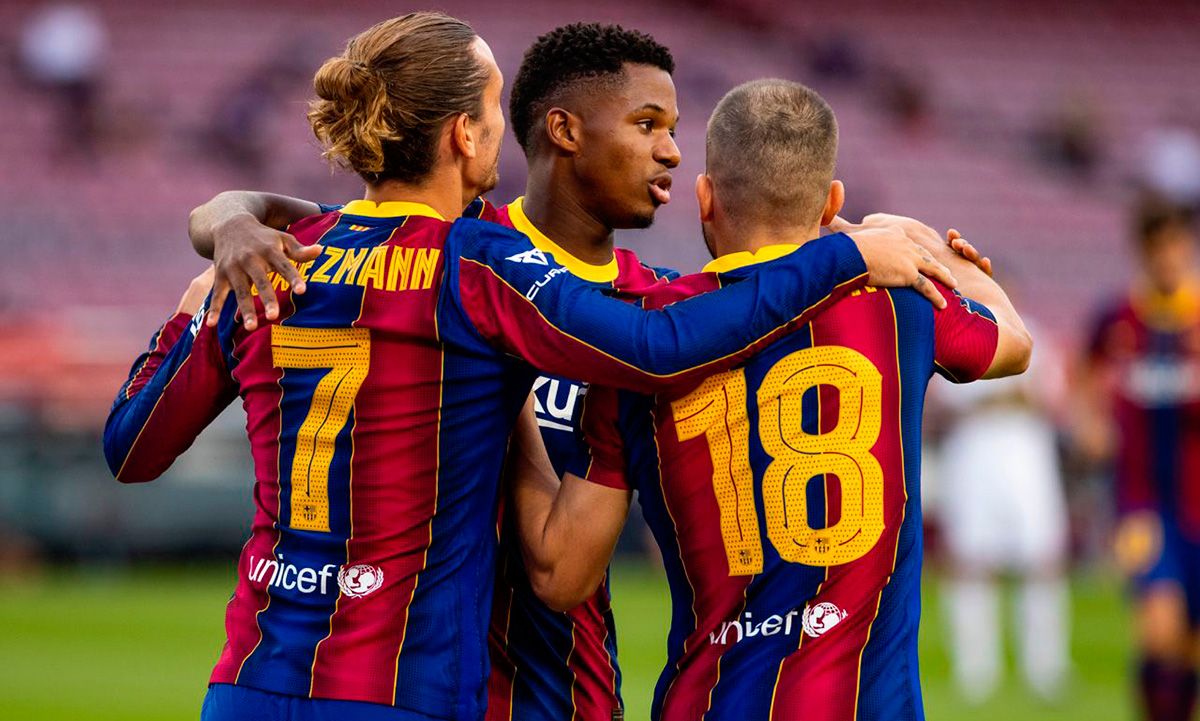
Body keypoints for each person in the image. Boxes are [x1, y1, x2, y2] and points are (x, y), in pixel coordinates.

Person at [104, 13, 952, 721]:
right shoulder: (479, 265)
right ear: (462, 133)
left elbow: (130, 446)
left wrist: (216, 246)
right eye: (493, 106)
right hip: (402, 683)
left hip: (249, 679)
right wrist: (844, 259)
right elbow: (659, 349)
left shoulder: (271, 263)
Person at [507, 79, 1032, 721]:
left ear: (704, 198)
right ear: (832, 200)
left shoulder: (639, 342)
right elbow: (1016, 344)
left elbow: (560, 578)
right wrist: (936, 253)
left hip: (709, 702)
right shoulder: (901, 305)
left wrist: (507, 405)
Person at [1081, 200, 1200, 721]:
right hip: (1141, 501)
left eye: (1180, 246)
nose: (1172, 258)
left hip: (1198, 502)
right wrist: (1091, 423)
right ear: (1145, 251)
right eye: (1162, 248)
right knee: (1159, 628)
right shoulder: (1118, 317)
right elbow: (1083, 373)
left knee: (1187, 643)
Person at [933, 315, 1070, 704]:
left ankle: (1046, 665)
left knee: (1042, 558)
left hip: (1026, 454)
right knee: (971, 561)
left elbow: (1048, 397)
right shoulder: (959, 335)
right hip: (974, 453)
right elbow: (947, 397)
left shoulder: (1036, 335)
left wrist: (999, 396)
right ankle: (975, 668)